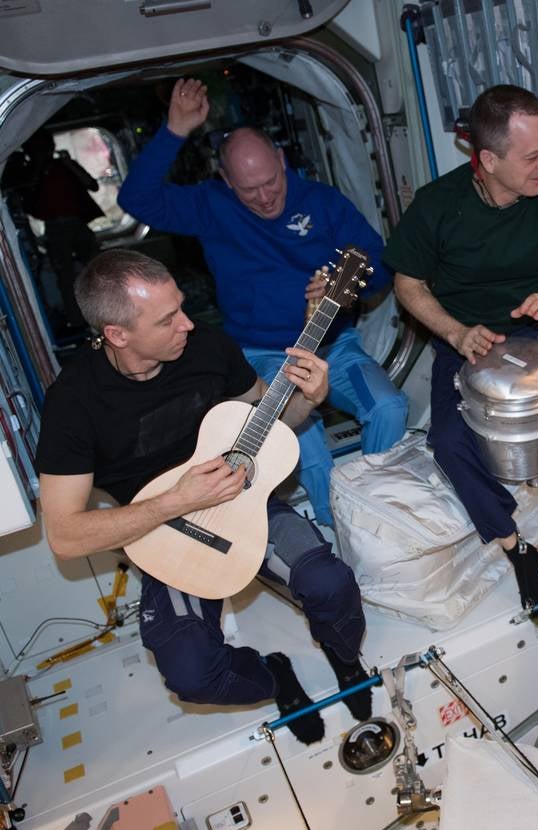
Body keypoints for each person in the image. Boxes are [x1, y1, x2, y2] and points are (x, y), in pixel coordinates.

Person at [35, 249, 373, 745]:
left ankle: (345, 659)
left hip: (244, 501)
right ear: (117, 334)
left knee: (331, 583)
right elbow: (64, 535)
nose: (188, 324)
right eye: (168, 319)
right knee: (192, 674)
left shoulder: (208, 348)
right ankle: (275, 675)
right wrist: (175, 501)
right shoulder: (73, 402)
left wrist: (309, 397)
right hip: (163, 531)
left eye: (182, 307)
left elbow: (272, 423)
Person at [117, 78, 408, 526]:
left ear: (281, 160)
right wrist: (174, 131)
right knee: (302, 446)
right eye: (249, 189)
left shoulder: (323, 203)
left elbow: (380, 270)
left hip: (334, 348)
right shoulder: (212, 206)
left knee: (390, 408)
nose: (266, 195)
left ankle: (370, 507)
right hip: (261, 356)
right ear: (227, 181)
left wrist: (340, 287)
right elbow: (134, 199)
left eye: (271, 180)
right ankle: (338, 528)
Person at [383, 85, 538, 626]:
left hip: (537, 344)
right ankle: (517, 550)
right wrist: (456, 333)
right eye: (533, 156)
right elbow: (408, 285)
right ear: (487, 160)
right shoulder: (438, 205)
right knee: (447, 442)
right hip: (467, 348)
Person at [22, 128, 104, 329]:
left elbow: (92, 186)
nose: (45, 151)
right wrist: (37, 169)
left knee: (99, 269)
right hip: (55, 229)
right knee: (66, 278)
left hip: (77, 224)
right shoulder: (31, 173)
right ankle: (77, 321)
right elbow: (27, 202)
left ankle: (109, 311)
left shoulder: (65, 166)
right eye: (39, 149)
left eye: (46, 147)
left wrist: (69, 164)